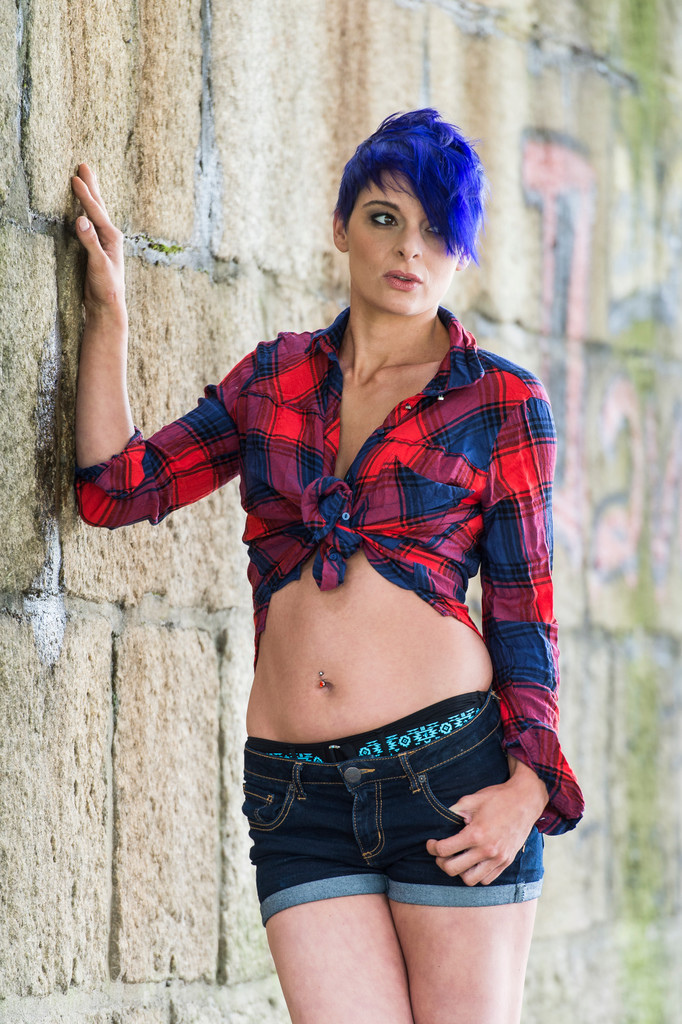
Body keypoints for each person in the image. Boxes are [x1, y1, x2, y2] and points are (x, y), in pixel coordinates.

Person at [71, 108, 584, 1024]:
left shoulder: (500, 401)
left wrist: (529, 789)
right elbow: (117, 489)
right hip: (295, 794)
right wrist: (109, 314)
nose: (411, 249)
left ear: (462, 254)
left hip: (450, 780)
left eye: (439, 231)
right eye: (386, 218)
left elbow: (525, 613)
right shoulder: (274, 380)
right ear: (342, 226)